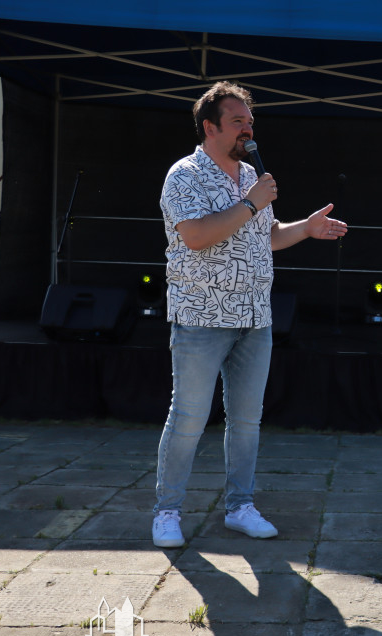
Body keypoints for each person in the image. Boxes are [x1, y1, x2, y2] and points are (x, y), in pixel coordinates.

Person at [152, 81, 348, 548]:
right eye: (238, 121)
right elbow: (197, 235)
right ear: (210, 127)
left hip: (255, 316)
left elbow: (265, 235)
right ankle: (167, 512)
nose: (248, 129)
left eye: (250, 121)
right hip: (201, 315)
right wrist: (252, 202)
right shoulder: (185, 175)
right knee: (189, 418)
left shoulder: (249, 177)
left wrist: (305, 228)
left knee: (247, 420)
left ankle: (240, 506)